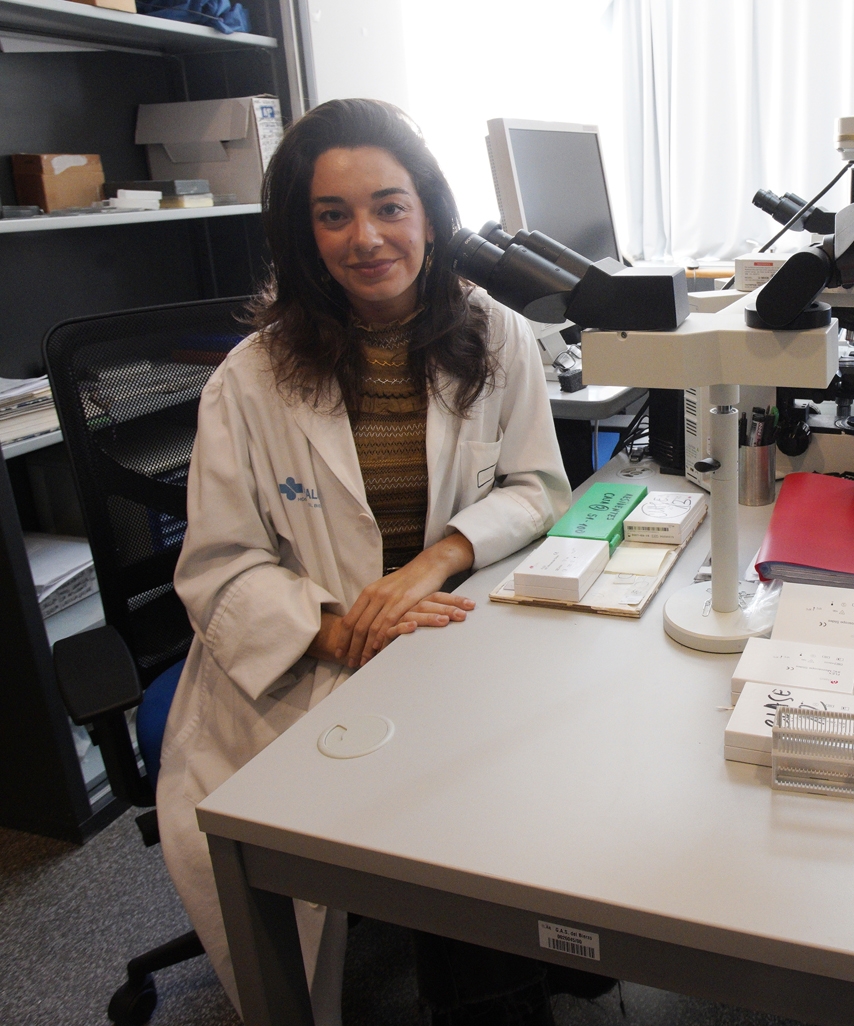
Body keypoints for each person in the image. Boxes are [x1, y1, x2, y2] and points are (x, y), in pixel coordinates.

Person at [156, 99, 572, 1024]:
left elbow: (537, 487)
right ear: (304, 236)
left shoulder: (496, 333)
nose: (366, 237)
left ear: (428, 211)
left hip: (449, 627)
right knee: (424, 824)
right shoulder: (250, 379)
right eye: (332, 214)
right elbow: (220, 564)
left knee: (487, 815)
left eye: (390, 205)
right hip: (306, 654)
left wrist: (430, 565)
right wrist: (337, 625)